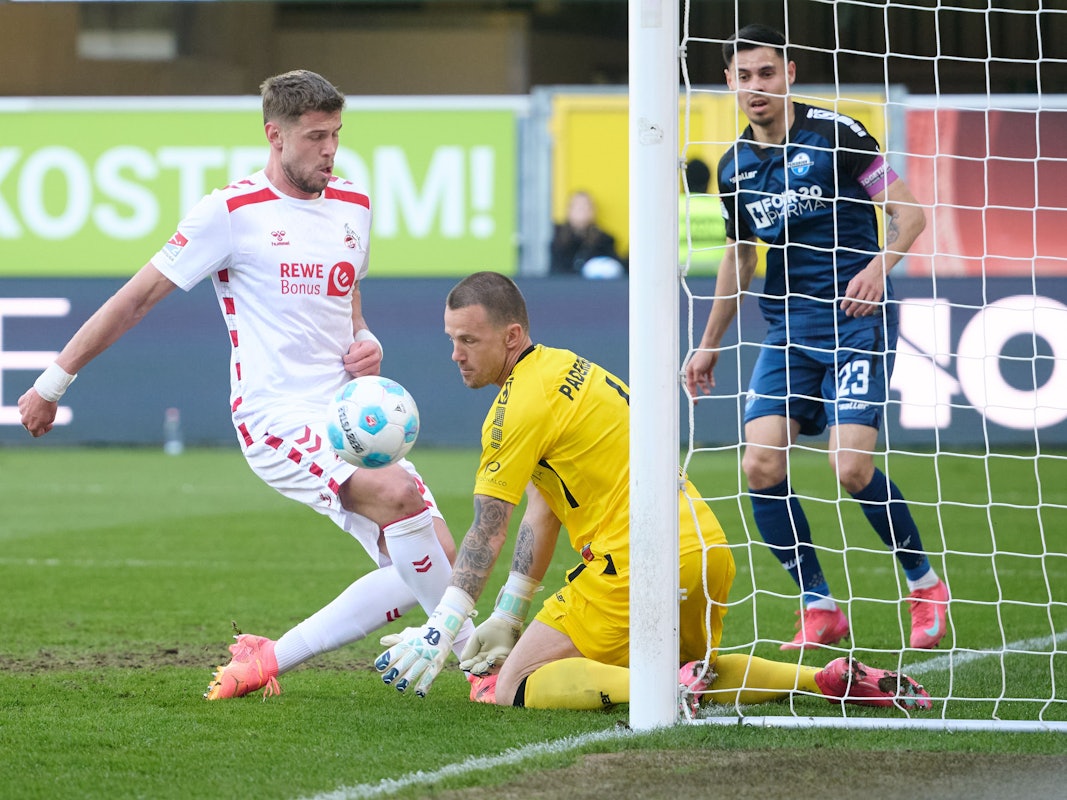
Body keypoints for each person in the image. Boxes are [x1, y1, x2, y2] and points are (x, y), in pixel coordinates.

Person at [17, 69, 472, 700]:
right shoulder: (230, 212)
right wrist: (53, 382)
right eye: (315, 136)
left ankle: (266, 660)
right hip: (276, 417)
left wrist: (363, 341)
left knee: (439, 561)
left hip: (342, 412)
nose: (329, 150)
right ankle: (481, 663)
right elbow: (137, 298)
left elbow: (348, 299)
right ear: (274, 135)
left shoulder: (354, 205)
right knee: (400, 497)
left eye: (336, 134)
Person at [372, 270, 932, 716]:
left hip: (633, 565)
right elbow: (544, 507)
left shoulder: (514, 407)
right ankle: (828, 682)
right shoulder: (570, 367)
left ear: (511, 336)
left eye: (468, 340)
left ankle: (661, 689)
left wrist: (442, 626)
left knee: (513, 684)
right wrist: (511, 612)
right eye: (451, 340)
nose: (455, 354)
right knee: (694, 665)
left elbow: (487, 528)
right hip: (703, 548)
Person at [685, 24, 949, 651]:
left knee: (850, 466)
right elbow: (740, 259)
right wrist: (709, 342)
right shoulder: (733, 168)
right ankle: (819, 605)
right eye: (743, 77)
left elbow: (909, 215)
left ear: (790, 74)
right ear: (729, 83)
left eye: (766, 73)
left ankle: (924, 584)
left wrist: (877, 267)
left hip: (855, 322)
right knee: (758, 461)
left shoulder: (839, 135)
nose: (756, 87)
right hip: (787, 330)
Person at [548, 190, 625, 279]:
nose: (582, 210)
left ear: (593, 211)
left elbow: (615, 268)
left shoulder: (604, 240)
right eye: (578, 207)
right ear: (569, 210)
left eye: (586, 206)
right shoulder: (557, 237)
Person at [679, 158, 727, 275]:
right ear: (709, 180)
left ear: (683, 180)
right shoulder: (721, 207)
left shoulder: (672, 208)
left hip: (678, 275)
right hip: (718, 277)